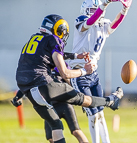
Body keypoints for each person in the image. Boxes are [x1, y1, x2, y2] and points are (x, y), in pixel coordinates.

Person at [16, 14, 123, 143]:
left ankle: (110, 101)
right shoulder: (53, 40)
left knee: (56, 126)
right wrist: (84, 71)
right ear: (58, 29)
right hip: (44, 85)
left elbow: (46, 58)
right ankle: (111, 101)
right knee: (84, 99)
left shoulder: (34, 38)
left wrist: (76, 56)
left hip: (28, 90)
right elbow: (65, 73)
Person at [68, 0, 132, 142]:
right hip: (80, 74)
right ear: (85, 10)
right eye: (92, 10)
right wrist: (105, 4)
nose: (97, 13)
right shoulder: (81, 21)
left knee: (100, 113)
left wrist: (124, 10)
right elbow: (90, 22)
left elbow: (115, 24)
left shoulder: (103, 24)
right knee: (93, 114)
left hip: (93, 74)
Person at [12, 54, 89, 143]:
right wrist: (18, 96)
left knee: (75, 131)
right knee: (52, 137)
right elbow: (30, 84)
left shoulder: (60, 67)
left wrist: (83, 101)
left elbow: (71, 84)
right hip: (51, 106)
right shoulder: (41, 70)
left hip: (62, 105)